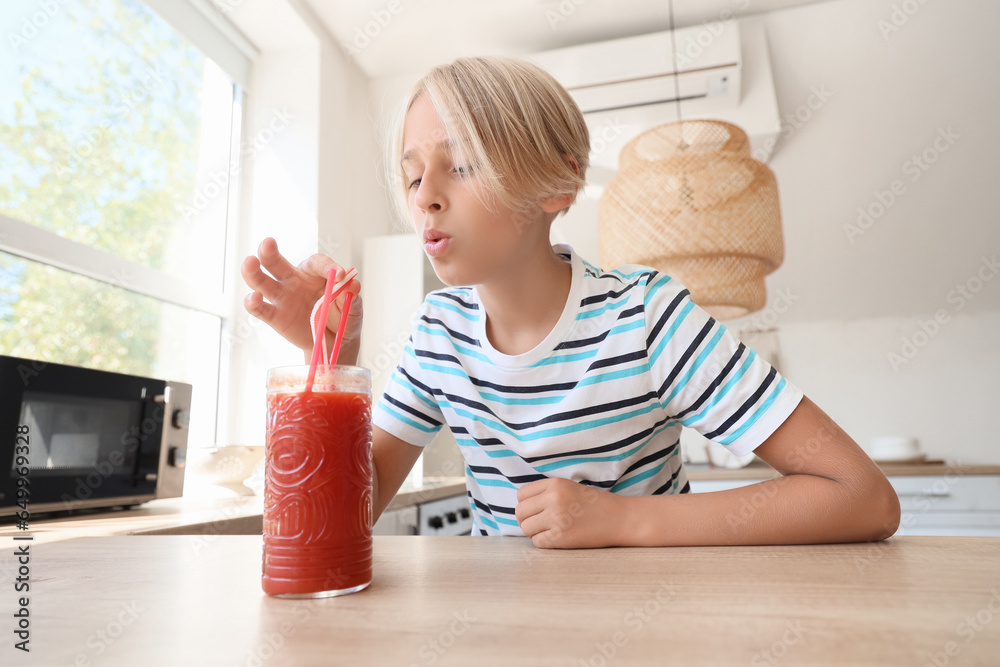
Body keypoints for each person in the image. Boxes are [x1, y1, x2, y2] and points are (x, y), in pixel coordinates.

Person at [242, 56, 900, 549]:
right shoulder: (438, 334)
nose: (424, 196)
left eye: (461, 164)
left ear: (556, 185)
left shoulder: (646, 317)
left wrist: (625, 518)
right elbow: (338, 521)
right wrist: (327, 358)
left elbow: (863, 497)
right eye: (413, 176)